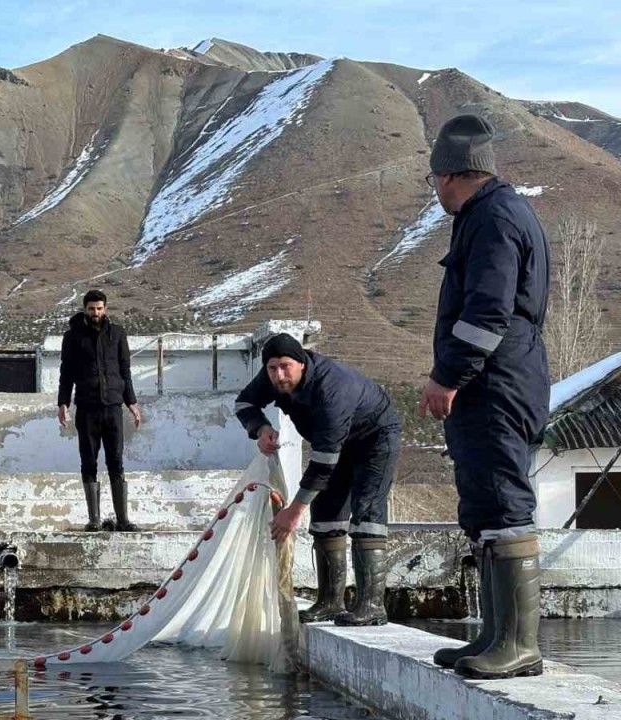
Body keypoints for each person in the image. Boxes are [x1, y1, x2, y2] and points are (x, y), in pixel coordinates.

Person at [418, 114, 551, 679]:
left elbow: (487, 313)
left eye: (435, 183)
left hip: (495, 383)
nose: (437, 193)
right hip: (491, 383)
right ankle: (497, 638)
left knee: (502, 502)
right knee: (483, 507)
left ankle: (519, 646)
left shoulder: (494, 218)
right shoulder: (493, 213)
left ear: (449, 175)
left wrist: (446, 375)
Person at [236, 334, 401, 627]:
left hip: (374, 439)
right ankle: (329, 602)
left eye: (285, 367)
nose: (279, 375)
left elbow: (323, 465)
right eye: (273, 368)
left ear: (301, 363)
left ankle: (372, 605)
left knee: (366, 515)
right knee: (325, 517)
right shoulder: (272, 376)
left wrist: (293, 512)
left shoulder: (332, 389)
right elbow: (244, 403)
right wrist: (260, 428)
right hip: (333, 445)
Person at [57, 290, 143, 532]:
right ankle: (94, 520)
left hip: (113, 408)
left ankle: (123, 520)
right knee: (89, 462)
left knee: (116, 461)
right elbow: (66, 373)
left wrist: (132, 403)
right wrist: (62, 403)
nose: (95, 313)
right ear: (85, 309)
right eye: (91, 308)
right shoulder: (73, 337)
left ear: (105, 308)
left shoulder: (117, 334)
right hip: (86, 408)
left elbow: (125, 371)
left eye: (99, 308)